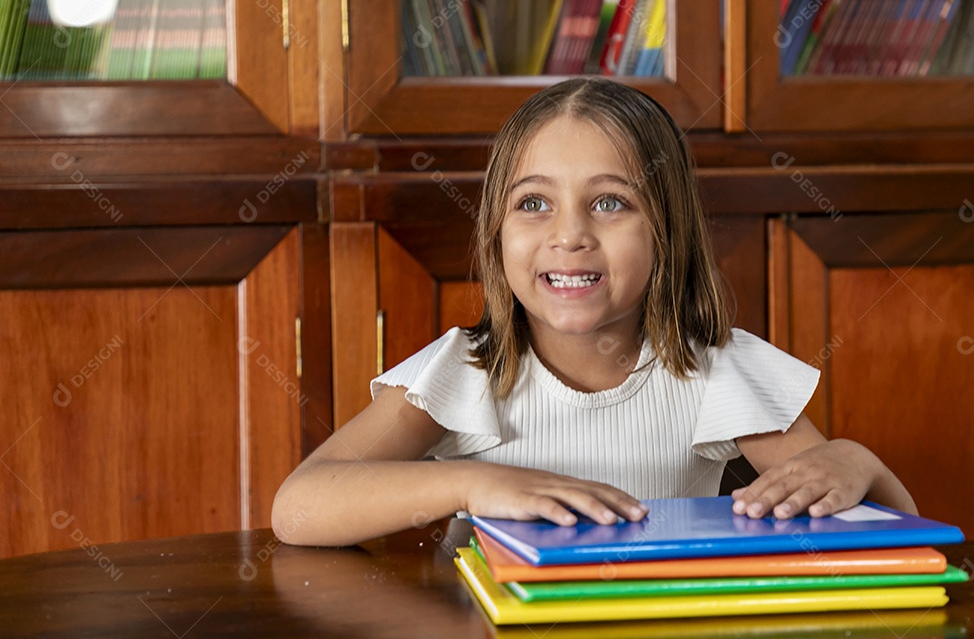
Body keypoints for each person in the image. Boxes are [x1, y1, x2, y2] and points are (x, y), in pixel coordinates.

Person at [272, 77, 916, 547]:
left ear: (666, 227)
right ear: (496, 231)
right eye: (533, 204)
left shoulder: (717, 371)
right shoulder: (466, 371)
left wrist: (858, 462)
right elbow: (299, 508)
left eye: (609, 202)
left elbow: (898, 532)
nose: (569, 234)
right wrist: (473, 485)